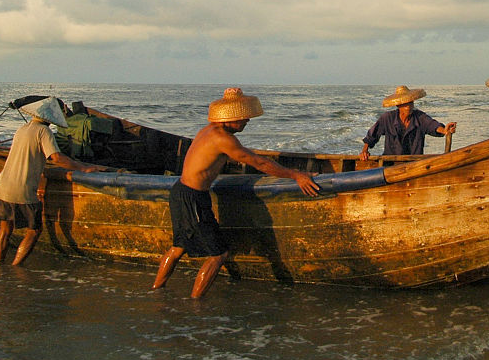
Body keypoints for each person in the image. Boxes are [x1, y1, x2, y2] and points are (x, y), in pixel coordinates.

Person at [153, 88, 320, 299]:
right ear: (231, 118)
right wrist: (296, 175)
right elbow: (259, 162)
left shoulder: (207, 131)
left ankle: (156, 291)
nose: (247, 121)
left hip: (180, 192)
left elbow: (213, 159)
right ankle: (195, 303)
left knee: (178, 247)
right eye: (244, 118)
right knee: (218, 254)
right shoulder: (224, 139)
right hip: (193, 198)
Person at [0, 97, 109, 266]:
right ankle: (15, 266)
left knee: (5, 228)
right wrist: (82, 168)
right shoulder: (43, 132)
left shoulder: (22, 129)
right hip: (22, 189)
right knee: (34, 230)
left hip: (4, 185)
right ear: (50, 119)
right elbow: (56, 157)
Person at [358, 86, 456, 159]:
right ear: (398, 106)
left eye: (410, 103)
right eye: (405, 104)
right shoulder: (387, 118)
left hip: (414, 163)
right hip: (391, 163)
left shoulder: (420, 117)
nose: (408, 106)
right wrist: (364, 151)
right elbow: (371, 136)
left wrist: (444, 130)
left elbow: (432, 125)